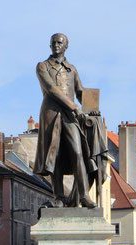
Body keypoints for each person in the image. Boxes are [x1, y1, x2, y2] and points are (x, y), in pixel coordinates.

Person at [33, 33, 97, 209]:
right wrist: (74, 106)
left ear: (66, 46)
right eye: (53, 43)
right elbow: (51, 89)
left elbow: (80, 91)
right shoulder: (42, 66)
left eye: (59, 43)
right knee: (55, 156)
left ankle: (84, 195)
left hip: (69, 116)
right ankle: (59, 197)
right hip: (51, 113)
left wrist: (94, 110)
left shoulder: (72, 69)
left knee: (77, 152)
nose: (56, 45)